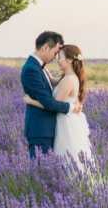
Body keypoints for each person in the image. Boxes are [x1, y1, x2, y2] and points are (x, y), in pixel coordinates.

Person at [24, 43, 93, 170]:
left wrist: (31, 101)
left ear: (69, 60)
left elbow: (51, 104)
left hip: (65, 123)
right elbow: (57, 83)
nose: (57, 59)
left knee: (67, 157)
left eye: (60, 57)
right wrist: (47, 74)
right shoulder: (69, 77)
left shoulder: (68, 80)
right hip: (67, 120)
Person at [20, 31, 81, 159]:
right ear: (45, 48)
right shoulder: (32, 69)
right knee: (41, 171)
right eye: (55, 53)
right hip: (41, 130)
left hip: (49, 129)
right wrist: (70, 108)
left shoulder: (40, 67)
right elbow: (49, 103)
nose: (55, 58)